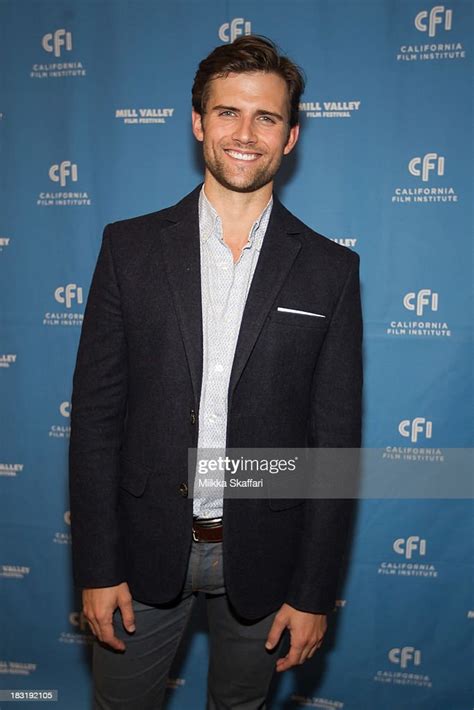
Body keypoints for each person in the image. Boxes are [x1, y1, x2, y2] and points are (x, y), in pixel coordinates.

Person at [69, 34, 363, 710]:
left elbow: (334, 446)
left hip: (265, 557)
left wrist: (314, 592)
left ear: (291, 136)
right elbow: (95, 420)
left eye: (267, 117)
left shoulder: (330, 270)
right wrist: (97, 565)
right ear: (198, 121)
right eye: (228, 112)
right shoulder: (128, 248)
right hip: (140, 555)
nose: (246, 133)